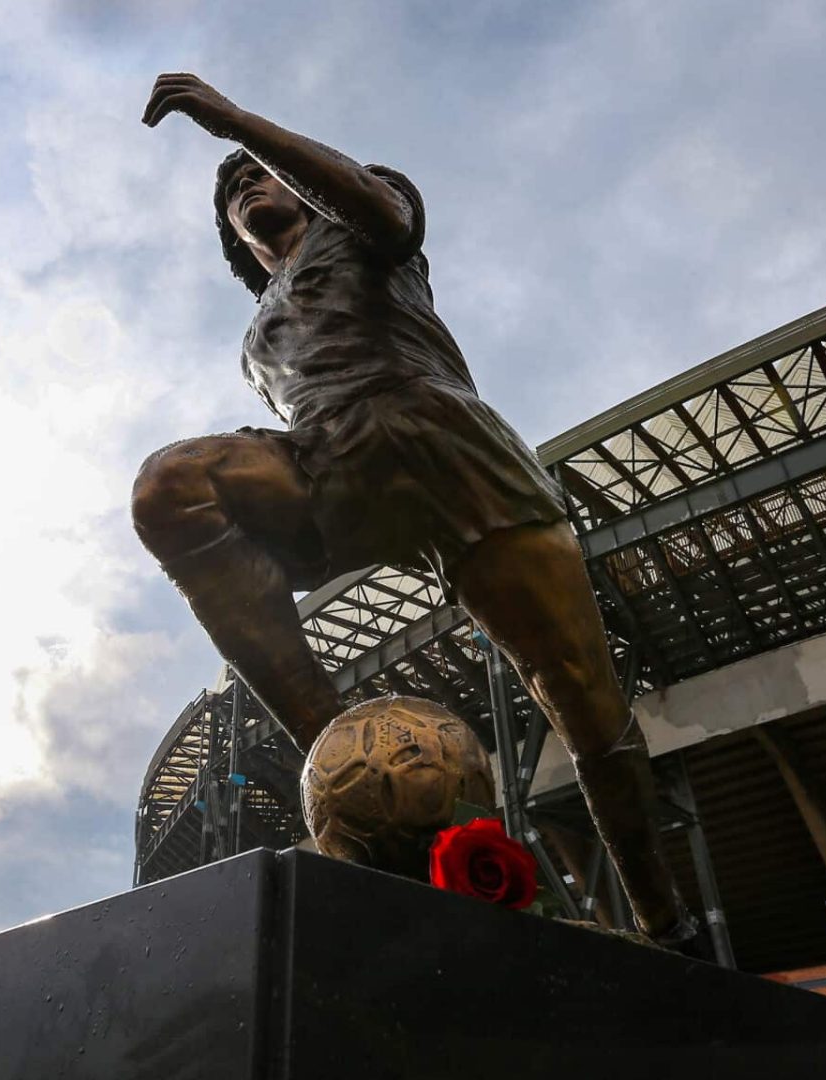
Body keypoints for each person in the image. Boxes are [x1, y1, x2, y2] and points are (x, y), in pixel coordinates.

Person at [132, 72, 700, 951]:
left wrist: (233, 122)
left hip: (447, 454)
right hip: (331, 465)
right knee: (171, 486)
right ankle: (341, 758)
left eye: (255, 172)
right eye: (231, 191)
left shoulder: (366, 223)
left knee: (585, 704)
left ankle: (667, 924)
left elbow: (382, 215)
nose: (244, 185)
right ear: (238, 248)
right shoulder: (258, 334)